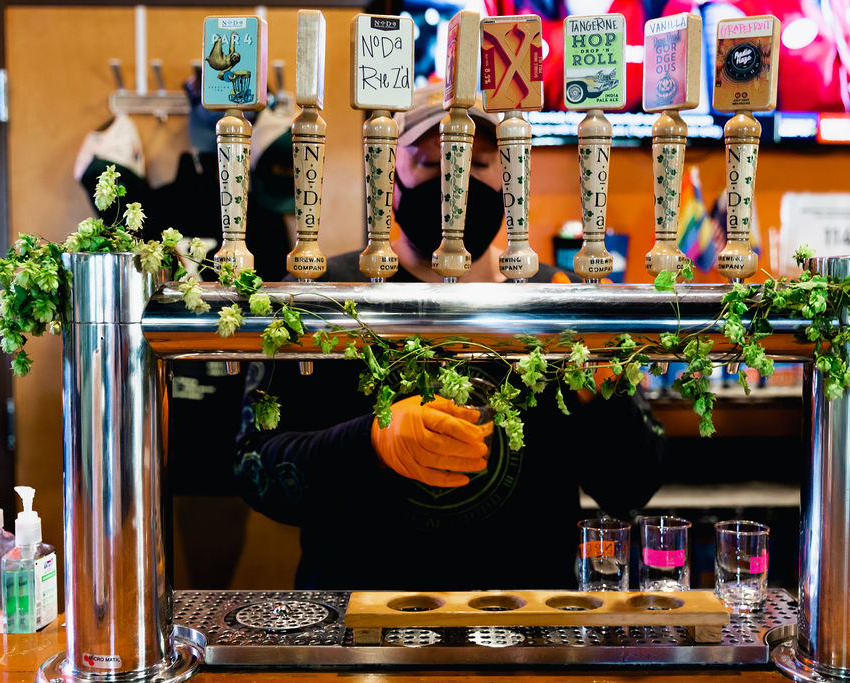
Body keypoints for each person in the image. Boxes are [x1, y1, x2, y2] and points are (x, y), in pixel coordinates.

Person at [233, 83, 664, 591]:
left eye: (478, 166)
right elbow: (255, 467)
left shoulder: (559, 302)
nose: (455, 183)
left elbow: (634, 486)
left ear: (509, 183)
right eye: (433, 165)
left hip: (525, 638)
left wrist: (603, 395)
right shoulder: (322, 296)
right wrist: (369, 444)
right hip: (363, 638)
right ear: (389, 180)